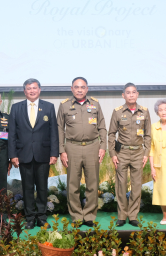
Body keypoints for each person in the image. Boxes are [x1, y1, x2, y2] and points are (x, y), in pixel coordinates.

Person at [8, 78, 58, 229]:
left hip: (43, 154)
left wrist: (54, 153)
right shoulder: (16, 107)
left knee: (43, 188)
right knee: (27, 188)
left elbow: (53, 132)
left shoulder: (48, 107)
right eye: (29, 88)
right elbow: (12, 134)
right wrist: (13, 155)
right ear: (24, 91)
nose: (32, 91)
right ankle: (29, 218)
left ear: (39, 90)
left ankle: (42, 218)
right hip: (23, 155)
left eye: (34, 88)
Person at [57, 77, 107, 227]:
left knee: (93, 183)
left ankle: (90, 215)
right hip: (72, 148)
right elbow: (59, 129)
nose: (79, 90)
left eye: (82, 87)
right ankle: (77, 216)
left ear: (87, 89)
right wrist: (61, 150)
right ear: (72, 89)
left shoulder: (95, 104)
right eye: (76, 87)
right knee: (73, 184)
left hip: (93, 147)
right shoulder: (64, 105)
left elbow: (102, 127)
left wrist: (103, 147)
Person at [108, 83, 151, 227]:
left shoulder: (144, 111)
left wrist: (146, 153)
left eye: (133, 92)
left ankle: (133, 215)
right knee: (121, 185)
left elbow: (148, 134)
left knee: (137, 184)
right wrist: (113, 153)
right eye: (128, 92)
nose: (131, 95)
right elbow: (111, 134)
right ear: (123, 95)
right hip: (122, 152)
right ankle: (121, 215)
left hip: (139, 152)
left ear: (137, 94)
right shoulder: (118, 111)